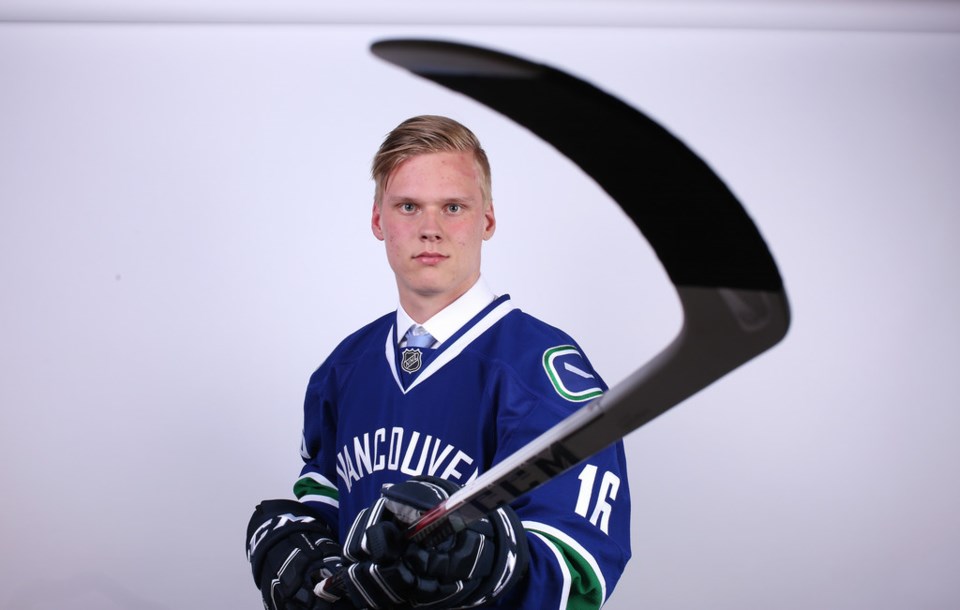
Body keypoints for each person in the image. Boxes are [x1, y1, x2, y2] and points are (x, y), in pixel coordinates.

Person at [246, 115, 631, 610]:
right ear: (378, 220)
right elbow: (327, 503)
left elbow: (581, 569)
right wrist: (302, 551)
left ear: (487, 220)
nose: (430, 229)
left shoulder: (539, 371)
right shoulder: (343, 369)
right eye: (408, 206)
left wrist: (489, 562)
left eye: (453, 207)